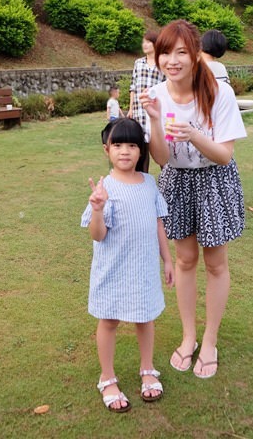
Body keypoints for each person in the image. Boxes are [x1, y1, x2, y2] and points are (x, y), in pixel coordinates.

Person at [140, 20, 246, 380]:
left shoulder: (219, 93)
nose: (172, 60)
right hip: (178, 179)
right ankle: (188, 337)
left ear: (196, 55)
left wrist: (194, 135)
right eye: (165, 52)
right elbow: (161, 158)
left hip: (214, 180)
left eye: (181, 52)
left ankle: (211, 340)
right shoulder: (156, 95)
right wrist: (154, 122)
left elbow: (225, 155)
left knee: (215, 263)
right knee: (185, 261)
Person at [81, 118, 174, 412]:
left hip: (144, 267)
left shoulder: (149, 182)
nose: (125, 151)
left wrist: (168, 259)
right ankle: (107, 378)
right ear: (106, 149)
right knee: (109, 320)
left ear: (141, 150)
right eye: (118, 145)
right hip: (113, 269)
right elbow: (98, 235)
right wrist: (98, 209)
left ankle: (147, 369)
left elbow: (158, 222)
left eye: (132, 145)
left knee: (145, 317)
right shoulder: (104, 188)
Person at [127, 31, 165, 170]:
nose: (145, 45)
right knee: (141, 152)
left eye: (148, 42)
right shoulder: (138, 63)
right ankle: (142, 184)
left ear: (155, 44)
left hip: (156, 113)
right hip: (139, 113)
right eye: (143, 42)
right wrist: (131, 109)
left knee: (161, 150)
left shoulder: (163, 63)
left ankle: (167, 182)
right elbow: (133, 86)